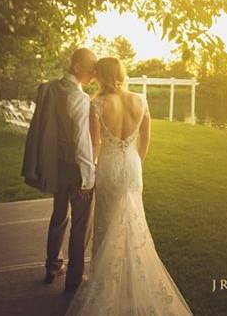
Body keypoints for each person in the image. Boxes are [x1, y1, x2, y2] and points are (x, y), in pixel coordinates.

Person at [65, 57, 194, 315]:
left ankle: (105, 283)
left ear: (100, 76)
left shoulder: (97, 104)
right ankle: (127, 280)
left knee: (107, 223)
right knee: (133, 222)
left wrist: (91, 173)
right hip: (133, 167)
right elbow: (146, 138)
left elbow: (95, 145)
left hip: (109, 168)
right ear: (121, 73)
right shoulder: (140, 100)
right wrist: (136, 161)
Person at [43, 48, 99, 292]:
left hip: (57, 167)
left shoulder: (50, 90)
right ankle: (74, 280)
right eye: (91, 70)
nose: (93, 76)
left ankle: (52, 267)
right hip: (76, 170)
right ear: (77, 66)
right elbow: (82, 143)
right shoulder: (80, 98)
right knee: (79, 225)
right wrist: (88, 178)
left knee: (58, 216)